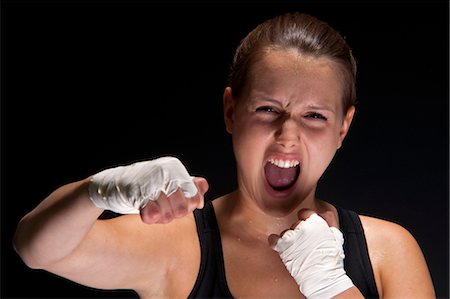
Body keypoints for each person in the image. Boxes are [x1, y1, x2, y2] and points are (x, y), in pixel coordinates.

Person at [13, 12, 435, 298]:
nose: (287, 136)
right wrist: (96, 190)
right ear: (231, 111)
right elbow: (37, 249)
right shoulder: (177, 246)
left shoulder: (386, 251)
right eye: (268, 109)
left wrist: (329, 284)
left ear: (342, 127)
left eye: (314, 116)